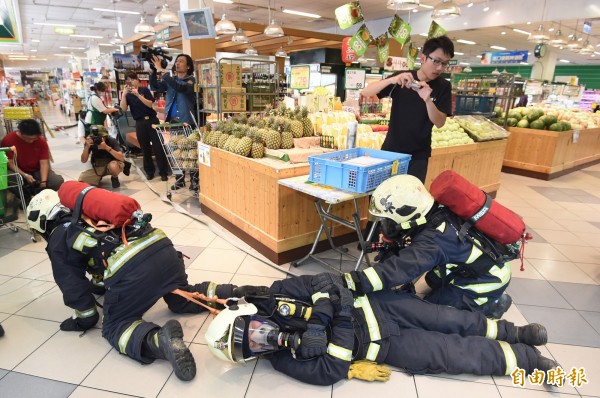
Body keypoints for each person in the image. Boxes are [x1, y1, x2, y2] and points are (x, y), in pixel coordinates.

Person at [25, 188, 264, 381]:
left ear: (42, 221)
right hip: (163, 249)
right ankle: (236, 294)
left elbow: (73, 285)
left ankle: (160, 341)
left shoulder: (58, 239)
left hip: (133, 271)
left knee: (115, 326)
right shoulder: (90, 211)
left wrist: (84, 318)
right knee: (181, 296)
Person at [205, 273, 557, 386]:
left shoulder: (275, 294)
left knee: (453, 319)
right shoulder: (282, 360)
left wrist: (319, 324)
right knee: (450, 353)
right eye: (250, 347)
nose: (259, 339)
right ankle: (527, 360)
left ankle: (516, 332)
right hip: (385, 345)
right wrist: (338, 316)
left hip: (382, 305)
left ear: (249, 314)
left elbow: (325, 283)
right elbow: (330, 370)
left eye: (250, 330)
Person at [341, 174, 515, 319]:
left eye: (389, 221)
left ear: (408, 215)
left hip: (486, 281)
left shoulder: (433, 240)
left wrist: (350, 282)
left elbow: (397, 270)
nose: (385, 227)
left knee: (428, 320)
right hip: (467, 268)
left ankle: (490, 306)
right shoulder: (437, 212)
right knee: (422, 301)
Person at [360, 35, 454, 184]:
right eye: (436, 61)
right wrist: (391, 80)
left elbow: (440, 122)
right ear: (423, 58)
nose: (439, 68)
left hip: (418, 156)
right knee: (383, 196)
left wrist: (428, 100)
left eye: (444, 64)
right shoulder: (403, 77)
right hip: (390, 151)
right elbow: (366, 92)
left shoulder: (443, 86)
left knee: (410, 201)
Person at [150, 53, 201, 192]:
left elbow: (181, 87)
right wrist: (154, 70)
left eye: (181, 61)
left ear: (188, 66)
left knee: (190, 153)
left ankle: (195, 181)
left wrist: (162, 71)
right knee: (175, 152)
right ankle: (179, 180)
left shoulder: (192, 81)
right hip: (172, 123)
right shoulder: (171, 80)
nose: (177, 63)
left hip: (188, 122)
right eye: (176, 61)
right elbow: (155, 86)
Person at [120, 71, 169, 181]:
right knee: (145, 149)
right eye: (129, 80)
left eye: (133, 79)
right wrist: (123, 94)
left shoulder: (144, 90)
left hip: (152, 120)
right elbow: (123, 109)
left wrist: (137, 94)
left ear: (137, 80)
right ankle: (149, 172)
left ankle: (163, 172)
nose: (131, 82)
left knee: (158, 147)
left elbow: (150, 104)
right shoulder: (127, 95)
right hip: (140, 123)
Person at [0, 118, 64, 202]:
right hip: (18, 170)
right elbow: (11, 163)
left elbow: (44, 163)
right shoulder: (8, 140)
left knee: (56, 181)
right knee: (8, 177)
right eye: (28, 139)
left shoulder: (41, 141)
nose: (31, 141)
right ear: (20, 133)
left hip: (36, 170)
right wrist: (25, 175)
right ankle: (25, 197)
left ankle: (41, 194)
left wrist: (43, 182)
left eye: (34, 139)